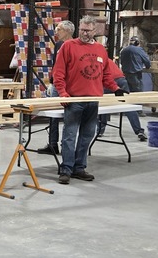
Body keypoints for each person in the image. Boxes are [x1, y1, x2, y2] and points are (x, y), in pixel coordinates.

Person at [52, 16, 122, 185]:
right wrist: (62, 92)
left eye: (88, 30)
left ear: (94, 31)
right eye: (82, 29)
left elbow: (105, 74)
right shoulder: (68, 46)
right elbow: (58, 72)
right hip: (74, 99)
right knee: (69, 135)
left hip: (93, 99)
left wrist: (115, 88)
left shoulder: (100, 49)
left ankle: (79, 168)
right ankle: (66, 169)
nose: (84, 33)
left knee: (87, 135)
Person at [36, 20, 75, 155]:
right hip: (56, 84)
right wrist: (52, 82)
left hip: (67, 86)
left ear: (67, 31)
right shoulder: (58, 44)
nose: (56, 32)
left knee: (68, 116)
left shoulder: (73, 45)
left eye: (59, 29)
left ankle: (66, 145)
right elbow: (56, 66)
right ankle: (53, 144)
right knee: (53, 116)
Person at [98, 59, 147, 141]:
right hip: (121, 80)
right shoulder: (107, 59)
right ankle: (139, 131)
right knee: (128, 107)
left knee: (103, 106)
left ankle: (100, 131)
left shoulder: (94, 61)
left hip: (108, 82)